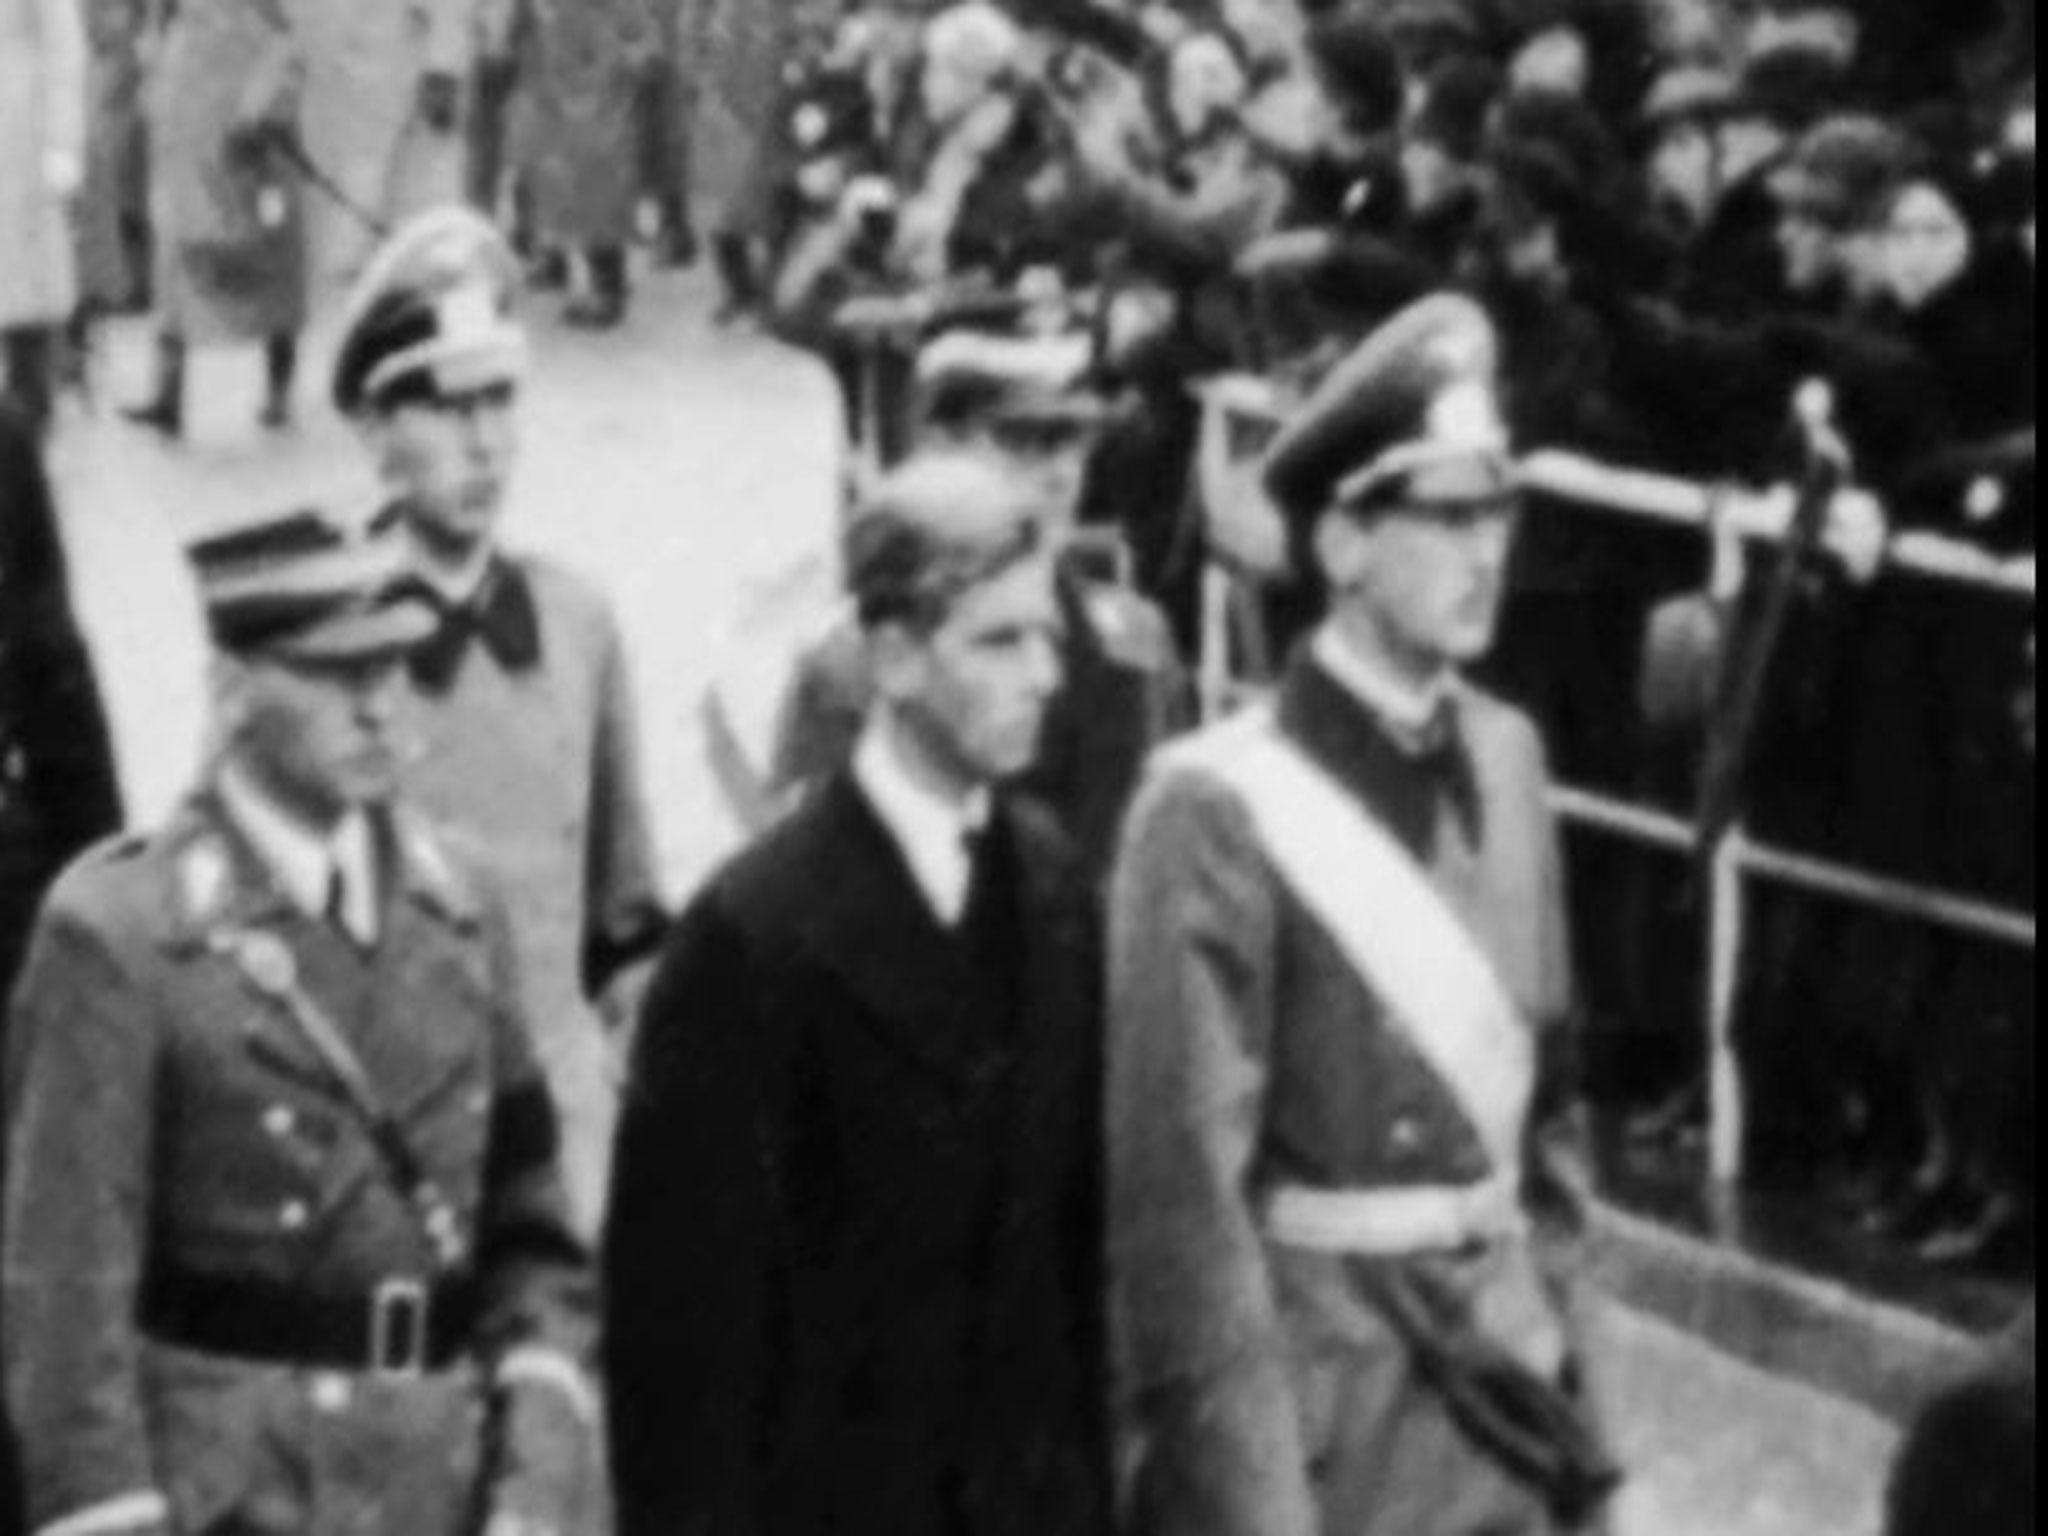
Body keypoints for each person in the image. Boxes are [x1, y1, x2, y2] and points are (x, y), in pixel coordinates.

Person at [1107, 294, 1616, 1536]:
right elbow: (1183, 1216)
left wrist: (1591, 1429)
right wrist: (1247, 1502)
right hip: (1332, 1413)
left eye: (1498, 512)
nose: (1486, 552)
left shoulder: (1507, 756)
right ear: (1340, 543)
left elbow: (1549, 1130)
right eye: (1447, 517)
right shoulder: (1213, 806)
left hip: (1503, 1394)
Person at [1, 500, 600, 1536]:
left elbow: (533, 1243)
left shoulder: (458, 905)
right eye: (335, 674)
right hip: (232, 1494)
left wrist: (533, 1492)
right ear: (232, 690)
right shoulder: (121, 936)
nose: (380, 709)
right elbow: (65, 1308)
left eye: (395, 667)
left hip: (436, 1486)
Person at [606, 450, 1115, 1536]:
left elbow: (1073, 1279)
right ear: (891, 658)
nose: (1045, 676)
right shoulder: (751, 940)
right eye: (998, 641)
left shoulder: (1055, 889)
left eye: (1048, 638)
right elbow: (679, 1359)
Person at [332, 206, 668, 1240]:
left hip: (565, 1149)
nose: (483, 444)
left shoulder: (575, 622)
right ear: (377, 432)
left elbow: (626, 919)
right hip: (384, 1142)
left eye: (498, 402)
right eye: (443, 407)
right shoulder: (326, 647)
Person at [128, 0, 306, 437]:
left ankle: (278, 388)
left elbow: (289, 37)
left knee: (268, 256)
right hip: (187, 119)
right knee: (175, 254)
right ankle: (169, 394)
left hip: (244, 129)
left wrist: (261, 107)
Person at [511, 0, 665, 327]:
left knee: (602, 209)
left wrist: (619, 63)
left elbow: (644, 49)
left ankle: (610, 296)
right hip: (569, 116)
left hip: (604, 121)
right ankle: (579, 277)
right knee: (570, 202)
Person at [1, 0, 87, 435]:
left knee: (25, 281)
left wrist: (62, 142)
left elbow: (64, 49)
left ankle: (31, 395)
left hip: (22, 131)